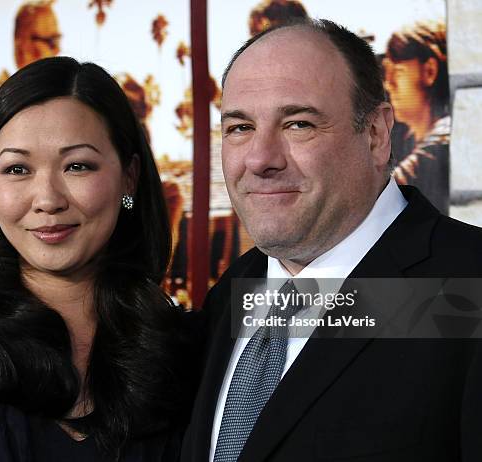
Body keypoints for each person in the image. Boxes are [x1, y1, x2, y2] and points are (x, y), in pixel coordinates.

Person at [0, 56, 200, 461]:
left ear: (129, 175)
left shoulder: (181, 348)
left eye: (77, 166)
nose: (47, 200)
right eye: (17, 169)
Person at [181, 18, 482, 462]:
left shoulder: (470, 285)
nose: (260, 159)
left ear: (377, 135)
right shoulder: (231, 292)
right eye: (240, 128)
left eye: (298, 124)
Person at [383, 21, 449, 213]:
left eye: (398, 72)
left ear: (429, 72)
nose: (389, 84)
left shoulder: (440, 144)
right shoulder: (413, 141)